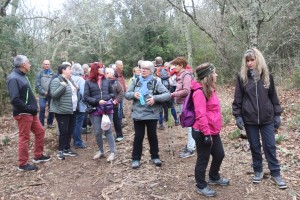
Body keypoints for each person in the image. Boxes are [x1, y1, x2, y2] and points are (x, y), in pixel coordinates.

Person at [232, 48, 287, 189]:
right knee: (255, 146)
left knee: (270, 146)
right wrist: (238, 115)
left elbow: (274, 97)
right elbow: (238, 98)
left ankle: (276, 173)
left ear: (258, 60)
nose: (250, 63)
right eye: (247, 61)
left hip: (267, 118)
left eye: (252, 60)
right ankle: (258, 170)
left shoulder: (267, 76)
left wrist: (277, 114)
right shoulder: (242, 77)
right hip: (249, 119)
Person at [7, 55, 51, 171]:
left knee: (40, 131)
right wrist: (28, 108)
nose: (30, 64)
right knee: (24, 138)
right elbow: (15, 99)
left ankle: (38, 156)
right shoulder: (13, 78)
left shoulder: (22, 76)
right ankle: (22, 164)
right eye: (28, 62)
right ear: (23, 65)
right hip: (23, 114)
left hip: (30, 113)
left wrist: (32, 109)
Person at [192, 63, 229, 197]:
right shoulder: (199, 92)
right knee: (203, 158)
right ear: (208, 76)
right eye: (214, 73)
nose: (216, 75)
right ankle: (200, 185)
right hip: (202, 132)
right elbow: (200, 115)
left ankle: (214, 177)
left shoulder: (211, 89)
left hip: (212, 130)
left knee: (219, 154)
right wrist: (206, 135)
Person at [125, 61, 171, 169]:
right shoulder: (136, 81)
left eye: (146, 69)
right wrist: (133, 95)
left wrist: (155, 98)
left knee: (152, 136)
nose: (143, 70)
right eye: (142, 68)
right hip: (138, 114)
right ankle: (136, 159)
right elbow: (127, 94)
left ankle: (155, 157)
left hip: (152, 114)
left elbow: (167, 95)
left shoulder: (155, 82)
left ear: (151, 71)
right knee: (138, 137)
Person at [84, 62, 116, 162]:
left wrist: (107, 98)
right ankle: (101, 151)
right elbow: (86, 97)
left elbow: (112, 93)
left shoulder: (106, 80)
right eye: (101, 68)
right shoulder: (88, 82)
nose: (103, 69)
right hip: (95, 110)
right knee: (97, 131)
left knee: (108, 130)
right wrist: (97, 101)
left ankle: (112, 152)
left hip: (107, 109)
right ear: (95, 70)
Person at [50, 62, 78, 160]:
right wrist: (62, 86)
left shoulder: (70, 79)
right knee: (64, 131)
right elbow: (53, 95)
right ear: (63, 70)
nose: (71, 70)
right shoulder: (56, 80)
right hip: (62, 110)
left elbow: (74, 91)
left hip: (72, 109)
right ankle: (60, 150)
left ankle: (67, 148)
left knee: (70, 130)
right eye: (69, 69)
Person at [170, 57, 195, 158]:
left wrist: (173, 94)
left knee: (190, 126)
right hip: (182, 103)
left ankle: (191, 148)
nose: (173, 67)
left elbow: (187, 90)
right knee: (188, 126)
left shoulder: (186, 75)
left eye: (175, 65)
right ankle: (191, 145)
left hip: (186, 104)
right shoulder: (180, 75)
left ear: (181, 65)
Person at [105, 67, 124, 142]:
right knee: (106, 120)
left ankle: (119, 135)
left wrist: (116, 101)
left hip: (114, 105)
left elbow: (121, 92)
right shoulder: (104, 82)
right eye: (105, 73)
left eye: (107, 73)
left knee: (116, 120)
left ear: (111, 74)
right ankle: (106, 134)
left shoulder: (116, 82)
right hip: (105, 105)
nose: (105, 74)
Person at [35, 60, 55, 128]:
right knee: (42, 108)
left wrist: (51, 92)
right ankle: (41, 124)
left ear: (50, 65)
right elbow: (37, 85)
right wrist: (43, 92)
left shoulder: (53, 74)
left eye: (48, 64)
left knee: (51, 109)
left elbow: (55, 84)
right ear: (43, 65)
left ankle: (50, 123)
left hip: (51, 95)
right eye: (45, 64)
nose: (47, 65)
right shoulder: (39, 74)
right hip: (42, 95)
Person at [71, 63, 87, 148]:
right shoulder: (81, 80)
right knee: (78, 124)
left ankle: (74, 140)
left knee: (74, 123)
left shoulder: (69, 79)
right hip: (80, 106)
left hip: (71, 105)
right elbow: (83, 94)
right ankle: (78, 142)